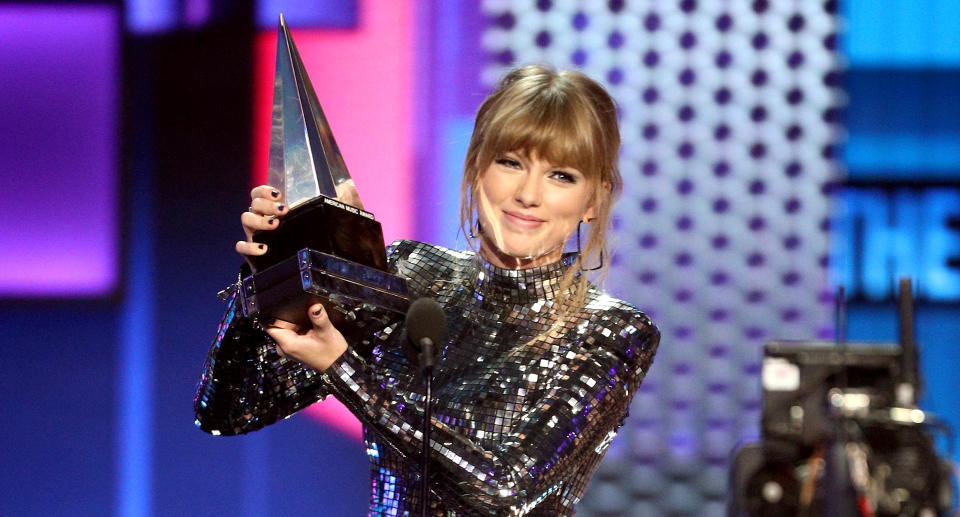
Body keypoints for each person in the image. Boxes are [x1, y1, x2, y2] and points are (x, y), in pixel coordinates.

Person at [195, 64, 660, 515]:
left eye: (561, 175)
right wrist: (270, 272)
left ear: (594, 200)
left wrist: (346, 371)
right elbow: (229, 411)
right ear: (478, 167)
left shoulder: (611, 332)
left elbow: (503, 496)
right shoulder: (409, 272)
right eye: (511, 162)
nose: (528, 194)